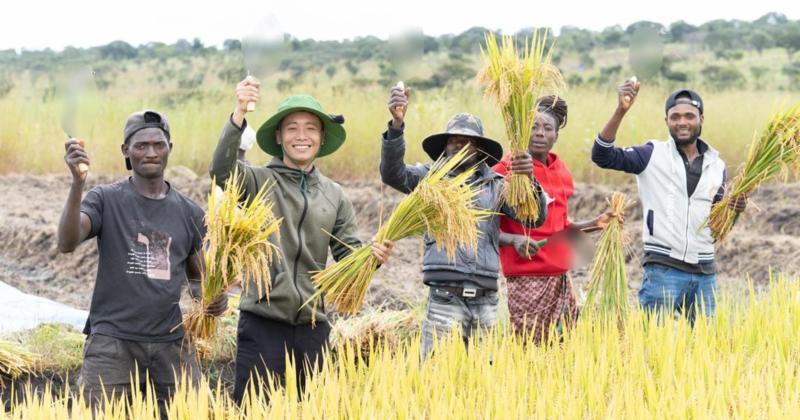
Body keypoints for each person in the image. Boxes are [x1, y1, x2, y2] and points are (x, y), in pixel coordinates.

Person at [210, 77, 394, 403]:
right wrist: (239, 112)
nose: (301, 136)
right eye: (292, 128)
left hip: (313, 327)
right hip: (262, 324)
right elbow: (222, 172)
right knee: (253, 410)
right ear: (278, 137)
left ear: (322, 138)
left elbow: (347, 253)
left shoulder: (334, 195)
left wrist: (371, 257)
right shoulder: (258, 181)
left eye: (311, 128)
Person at [57, 110, 227, 417]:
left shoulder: (189, 211)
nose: (150, 152)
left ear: (169, 149)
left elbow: (197, 279)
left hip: (171, 344)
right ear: (126, 151)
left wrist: (214, 298)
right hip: (112, 343)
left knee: (194, 412)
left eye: (158, 145)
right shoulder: (106, 199)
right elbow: (66, 242)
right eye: (141, 145)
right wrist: (77, 183)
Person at [381, 84, 547, 358]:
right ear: (445, 146)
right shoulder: (429, 179)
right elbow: (393, 174)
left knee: (486, 377)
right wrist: (397, 126)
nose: (460, 146)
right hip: (444, 294)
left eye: (468, 142)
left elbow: (534, 217)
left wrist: (528, 179)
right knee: (437, 373)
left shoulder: (497, 185)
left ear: (480, 149)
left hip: (486, 296)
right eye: (454, 140)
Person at [591, 80, 746, 323]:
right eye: (675, 117)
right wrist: (621, 110)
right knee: (654, 344)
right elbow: (602, 155)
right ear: (667, 122)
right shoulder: (651, 154)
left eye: (689, 116)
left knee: (706, 347)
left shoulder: (717, 165)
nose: (682, 122)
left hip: (705, 272)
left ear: (701, 119)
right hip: (663, 269)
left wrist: (735, 210)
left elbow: (719, 226)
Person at [494, 96, 619, 344]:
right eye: (534, 127)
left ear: (556, 135)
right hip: (526, 278)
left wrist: (596, 223)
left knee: (564, 348)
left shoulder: (561, 172)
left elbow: (560, 228)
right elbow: (486, 227)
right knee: (528, 348)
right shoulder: (507, 168)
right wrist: (514, 240)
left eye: (547, 128)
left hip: (561, 278)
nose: (540, 133)